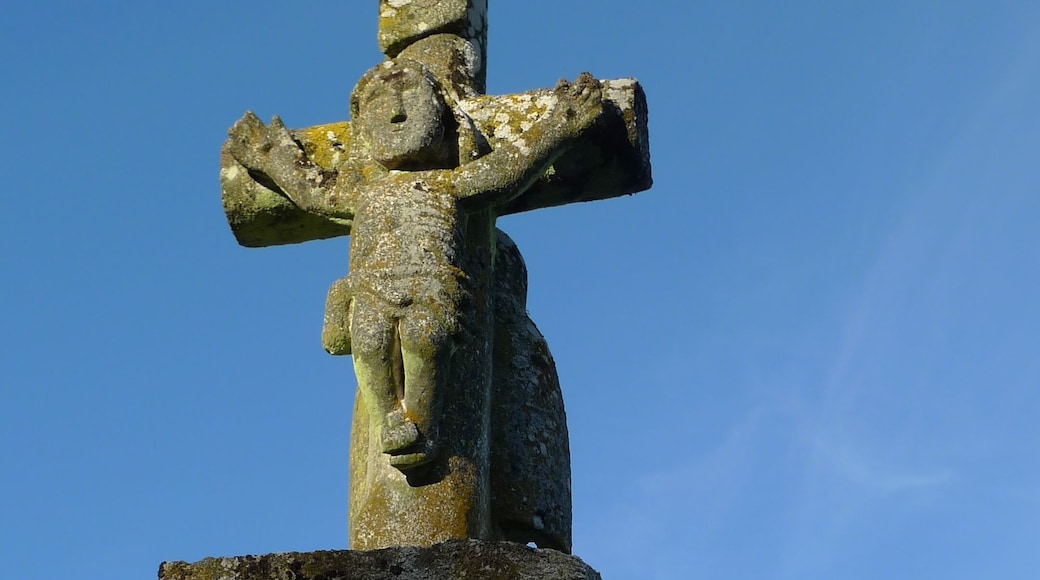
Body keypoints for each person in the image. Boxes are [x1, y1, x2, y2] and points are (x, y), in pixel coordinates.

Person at [227, 58, 602, 470]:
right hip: (372, 287)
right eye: (379, 103)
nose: (397, 110)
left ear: (443, 119)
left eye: (412, 97)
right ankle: (390, 417)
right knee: (369, 341)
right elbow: (309, 191)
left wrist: (558, 126)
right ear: (363, 132)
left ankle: (421, 420)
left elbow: (503, 171)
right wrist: (269, 155)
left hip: (431, 285)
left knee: (426, 338)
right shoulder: (362, 191)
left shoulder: (447, 183)